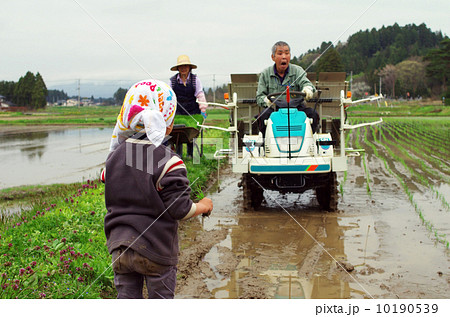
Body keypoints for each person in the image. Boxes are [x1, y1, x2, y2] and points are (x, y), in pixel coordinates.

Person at [103, 79, 213, 299]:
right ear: (167, 124)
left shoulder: (114, 157)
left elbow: (108, 178)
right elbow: (178, 209)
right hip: (156, 251)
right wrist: (202, 206)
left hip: (119, 248)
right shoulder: (169, 162)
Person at [256, 41, 319, 133]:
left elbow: (306, 83)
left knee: (313, 114)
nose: (284, 57)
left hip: (297, 108)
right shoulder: (265, 74)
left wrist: (308, 89)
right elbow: (259, 97)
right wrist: (267, 101)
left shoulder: (297, 71)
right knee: (262, 117)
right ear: (273, 57)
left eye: (287, 53)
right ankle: (267, 144)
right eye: (280, 53)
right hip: (275, 110)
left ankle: (308, 142)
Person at [169, 55, 208, 157]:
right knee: (178, 131)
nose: (183, 68)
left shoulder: (195, 80)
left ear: (189, 67)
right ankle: (178, 155)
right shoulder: (172, 81)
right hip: (178, 111)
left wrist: (203, 110)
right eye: (181, 66)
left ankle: (190, 154)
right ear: (178, 68)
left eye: (185, 66)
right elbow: (168, 97)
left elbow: (200, 94)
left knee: (191, 130)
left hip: (192, 110)